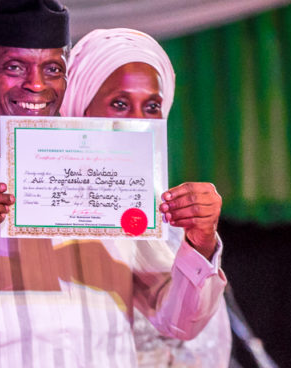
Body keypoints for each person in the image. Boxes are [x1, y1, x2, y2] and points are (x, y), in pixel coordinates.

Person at [0, 0, 227, 367]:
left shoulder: (114, 179)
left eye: (52, 69)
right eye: (15, 67)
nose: (36, 85)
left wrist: (200, 244)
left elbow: (179, 322)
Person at [59, 27, 232, 367]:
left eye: (151, 107)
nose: (138, 123)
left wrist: (201, 243)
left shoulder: (165, 216)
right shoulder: (37, 200)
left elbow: (190, 330)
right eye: (120, 105)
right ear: (81, 109)